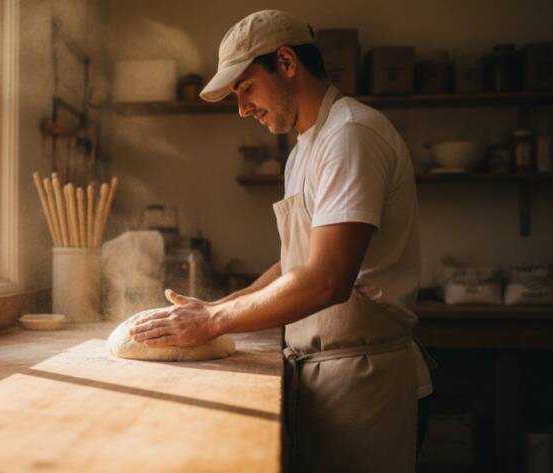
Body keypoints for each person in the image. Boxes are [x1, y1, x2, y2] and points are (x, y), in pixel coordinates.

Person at [129, 9, 433, 473]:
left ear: (287, 63)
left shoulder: (350, 135)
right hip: (320, 374)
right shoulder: (304, 149)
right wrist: (211, 309)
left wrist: (214, 322)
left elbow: (326, 279)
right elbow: (298, 265)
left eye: (247, 89)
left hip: (363, 382)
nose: (243, 109)